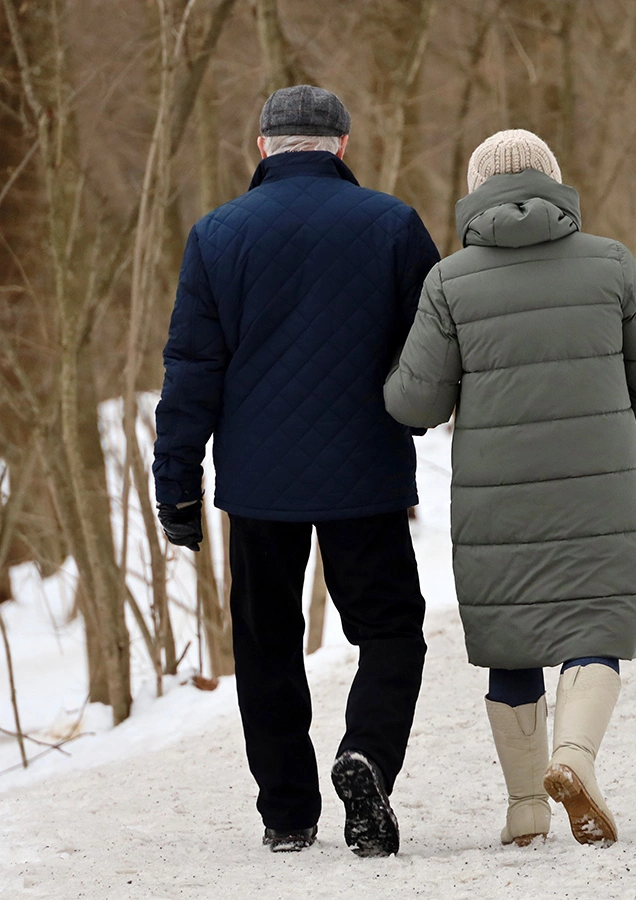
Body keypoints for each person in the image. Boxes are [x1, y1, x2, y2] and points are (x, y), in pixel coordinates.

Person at [152, 85, 441, 857]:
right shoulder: (393, 224)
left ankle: (286, 814)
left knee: (266, 643)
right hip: (365, 473)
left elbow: (192, 369)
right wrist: (417, 417)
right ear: (341, 145)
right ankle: (367, 756)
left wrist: (176, 481)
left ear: (263, 147)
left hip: (259, 485)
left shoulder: (217, 235)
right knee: (391, 631)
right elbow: (433, 349)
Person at [385, 129, 636, 847]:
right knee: (594, 629)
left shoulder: (449, 282)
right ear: (554, 182)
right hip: (601, 493)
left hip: (496, 500)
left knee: (511, 640)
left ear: (476, 192)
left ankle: (525, 807)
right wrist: (629, 460)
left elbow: (415, 404)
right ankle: (574, 758)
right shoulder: (611, 264)